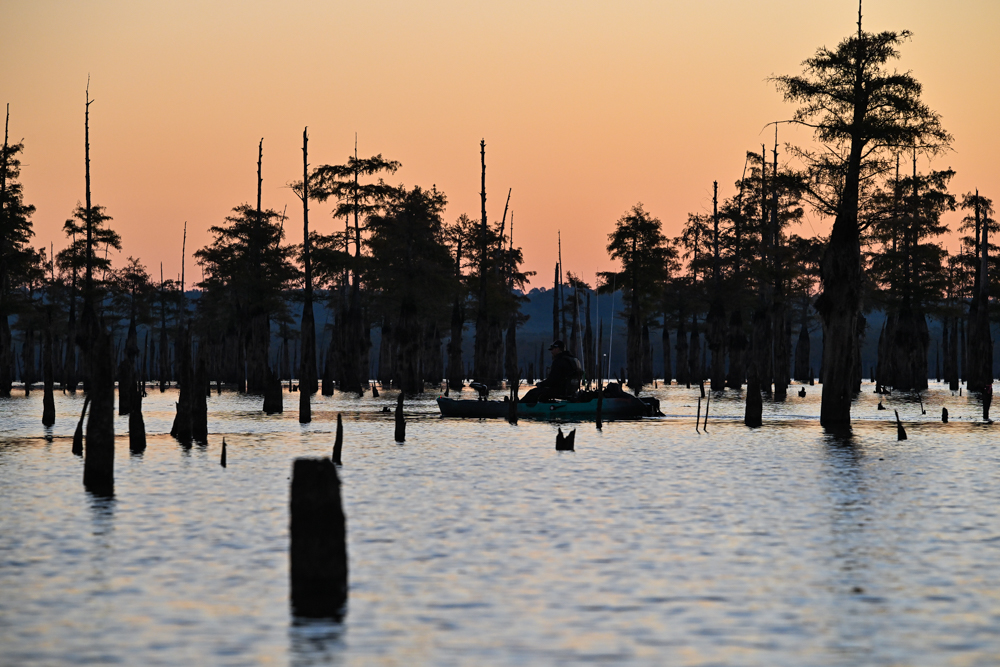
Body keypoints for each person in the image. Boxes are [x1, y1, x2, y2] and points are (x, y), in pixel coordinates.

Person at [522, 340, 583, 404]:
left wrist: (541, 384)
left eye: (552, 349)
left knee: (533, 392)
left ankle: (521, 406)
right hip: (571, 390)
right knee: (541, 395)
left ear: (558, 349)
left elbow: (552, 380)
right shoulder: (574, 360)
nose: (551, 352)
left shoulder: (559, 361)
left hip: (560, 390)